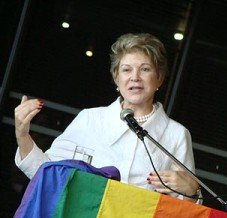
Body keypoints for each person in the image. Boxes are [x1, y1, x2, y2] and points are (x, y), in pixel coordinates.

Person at [14, 33, 201, 202]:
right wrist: (22, 135)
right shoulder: (90, 119)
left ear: (159, 78)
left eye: (145, 69)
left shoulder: (176, 134)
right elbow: (48, 173)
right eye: (127, 70)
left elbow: (184, 213)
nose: (135, 77)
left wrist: (192, 191)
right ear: (117, 78)